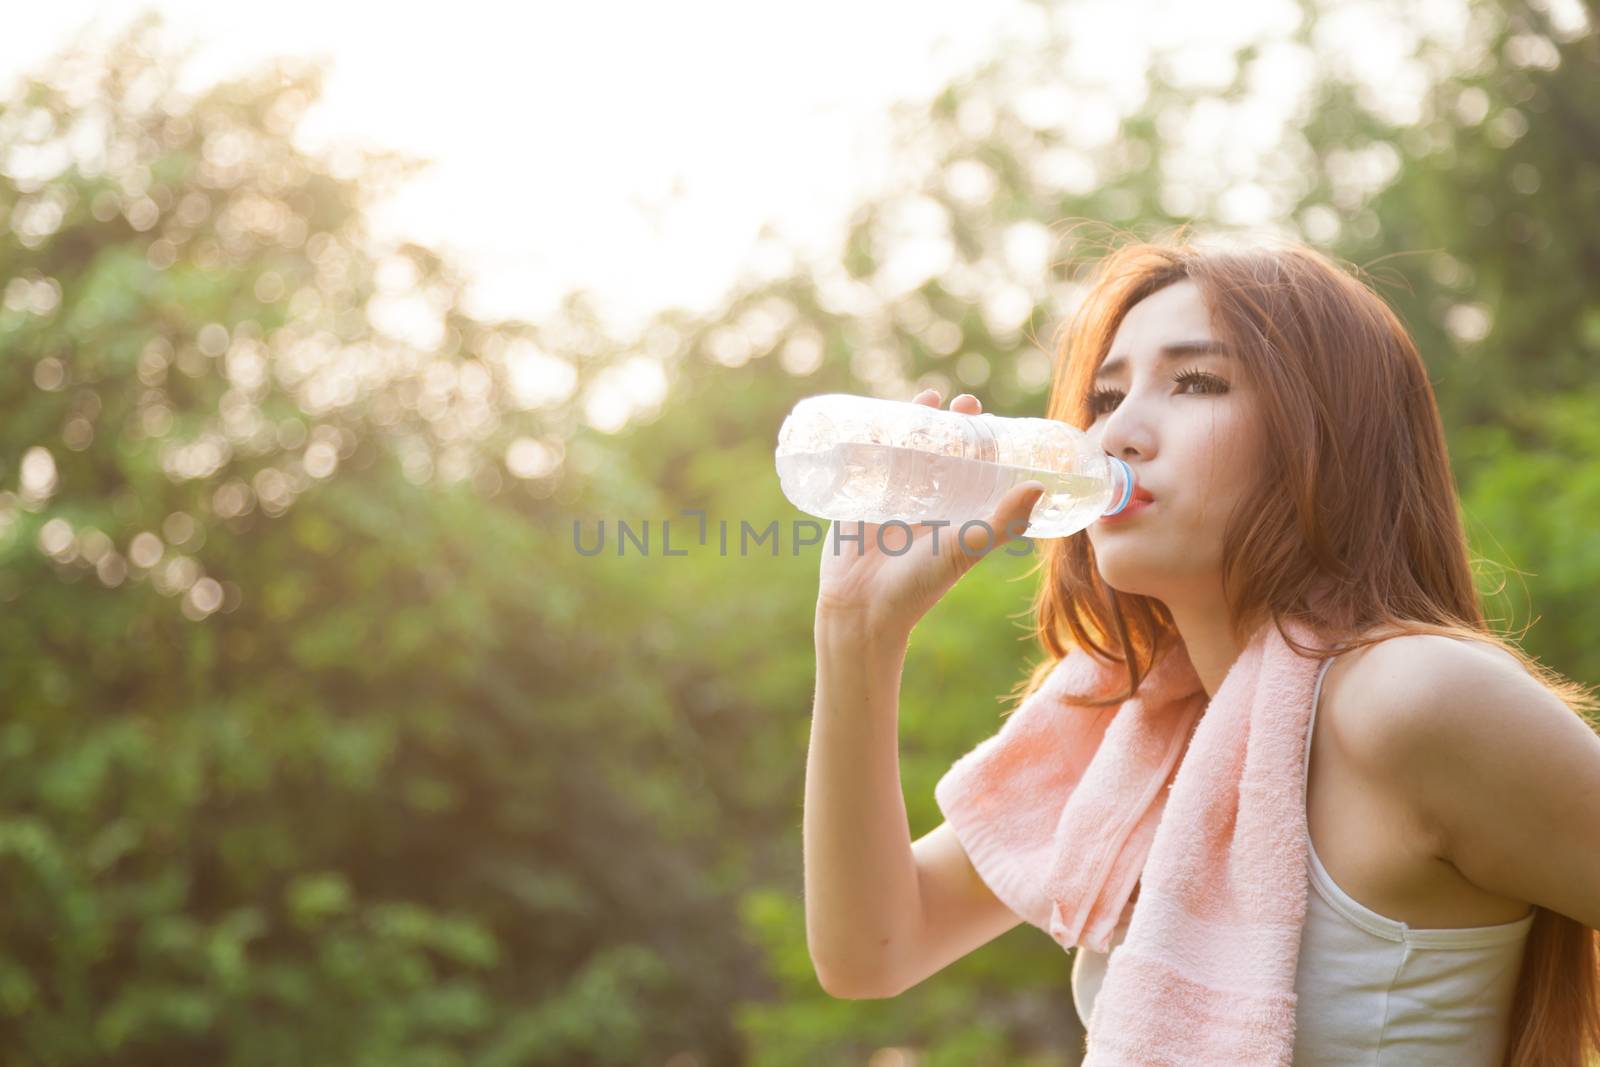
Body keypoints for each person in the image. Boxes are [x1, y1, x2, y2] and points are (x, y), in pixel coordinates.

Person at [802, 234, 1600, 1066]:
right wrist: (856, 635)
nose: (1118, 434)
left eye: (1197, 382)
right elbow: (873, 951)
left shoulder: (1411, 697)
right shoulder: (1130, 723)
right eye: (1105, 397)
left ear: (1327, 437)